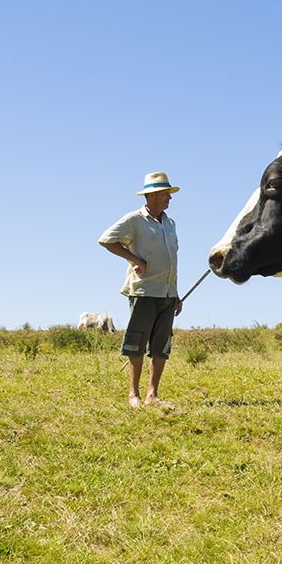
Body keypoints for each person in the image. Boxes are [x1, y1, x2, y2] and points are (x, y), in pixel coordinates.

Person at [98, 171, 183, 407]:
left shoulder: (170, 223)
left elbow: (171, 260)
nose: (170, 198)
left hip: (167, 292)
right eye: (167, 193)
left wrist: (175, 293)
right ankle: (133, 394)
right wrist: (135, 259)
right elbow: (106, 240)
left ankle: (152, 395)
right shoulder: (134, 220)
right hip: (144, 291)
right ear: (153, 194)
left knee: (161, 346)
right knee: (136, 341)